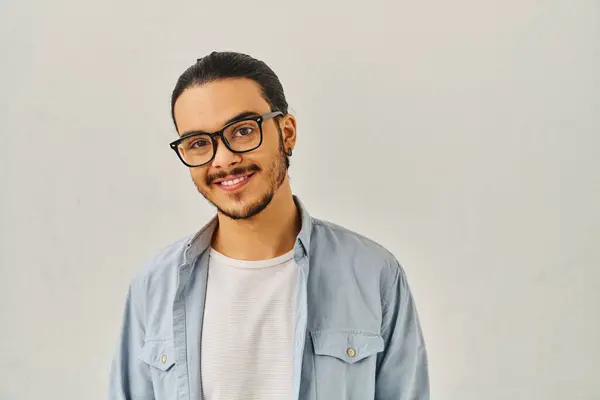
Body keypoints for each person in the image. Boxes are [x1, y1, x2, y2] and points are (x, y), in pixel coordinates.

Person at [108, 51, 429, 400]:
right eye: (199, 143)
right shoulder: (155, 285)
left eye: (243, 131)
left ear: (286, 132)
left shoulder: (372, 273)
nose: (224, 158)